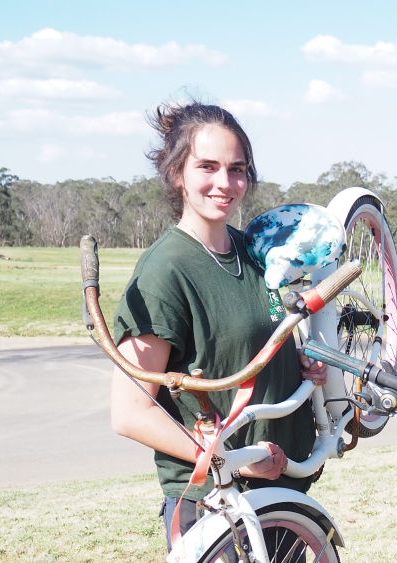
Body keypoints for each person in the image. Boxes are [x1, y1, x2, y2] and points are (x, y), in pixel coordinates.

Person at [109, 100, 325, 548]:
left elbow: (251, 342)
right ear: (176, 173)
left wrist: (302, 368)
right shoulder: (165, 271)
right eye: (207, 167)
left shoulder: (258, 252)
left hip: (281, 497)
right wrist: (231, 460)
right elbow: (130, 413)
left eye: (238, 168)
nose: (225, 183)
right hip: (217, 504)